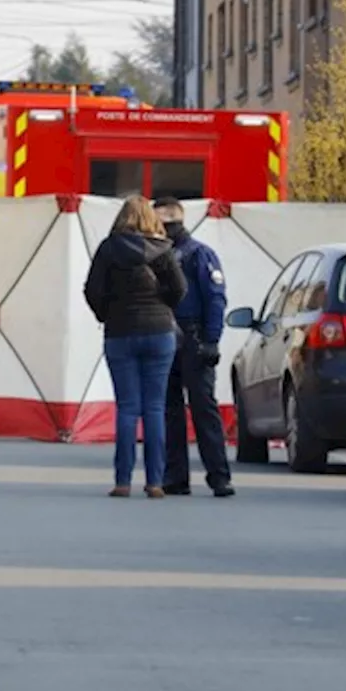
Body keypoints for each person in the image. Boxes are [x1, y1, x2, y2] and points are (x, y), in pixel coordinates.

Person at [83, 195, 188, 499]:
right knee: (155, 407)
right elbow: (180, 289)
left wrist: (107, 313)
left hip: (120, 333)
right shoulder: (163, 249)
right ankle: (155, 482)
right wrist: (163, 308)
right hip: (159, 333)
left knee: (127, 408)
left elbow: (92, 290)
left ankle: (123, 481)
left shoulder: (108, 248)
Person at [153, 196, 235, 498]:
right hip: (163, 333)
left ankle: (219, 476)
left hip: (193, 335)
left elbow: (215, 297)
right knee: (169, 409)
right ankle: (176, 476)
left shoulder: (198, 254)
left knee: (203, 408)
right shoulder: (157, 255)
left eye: (164, 223)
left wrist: (212, 339)